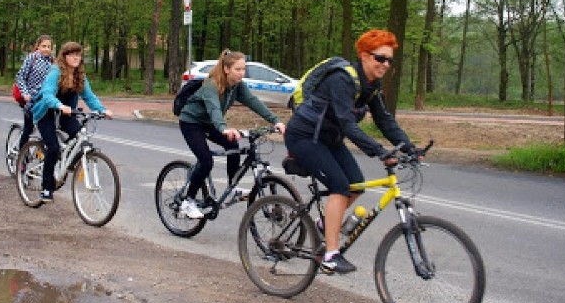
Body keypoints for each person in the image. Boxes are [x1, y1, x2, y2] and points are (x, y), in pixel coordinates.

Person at [284, 29, 416, 274]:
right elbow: (347, 122)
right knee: (340, 187)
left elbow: (384, 120)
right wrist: (379, 151)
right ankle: (330, 255)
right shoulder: (343, 79)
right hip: (304, 136)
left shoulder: (372, 86)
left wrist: (408, 147)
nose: (385, 64)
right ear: (364, 56)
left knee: (356, 184)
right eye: (380, 58)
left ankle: (324, 224)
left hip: (329, 138)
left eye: (389, 60)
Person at [177, 49, 286, 220]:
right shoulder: (211, 84)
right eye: (238, 69)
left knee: (233, 145)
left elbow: (253, 102)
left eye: (244, 69)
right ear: (227, 69)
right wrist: (223, 128)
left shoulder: (237, 86)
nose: (242, 73)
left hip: (210, 123)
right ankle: (187, 201)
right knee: (206, 160)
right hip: (191, 122)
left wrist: (276, 121)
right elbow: (213, 108)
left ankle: (232, 187)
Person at [30, 42, 112, 202]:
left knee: (80, 134)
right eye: (72, 54)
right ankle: (46, 188)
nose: (76, 57)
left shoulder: (79, 75)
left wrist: (102, 110)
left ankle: (65, 162)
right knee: (52, 148)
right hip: (46, 112)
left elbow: (89, 96)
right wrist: (59, 105)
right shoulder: (55, 72)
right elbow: (47, 94)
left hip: (67, 112)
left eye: (78, 55)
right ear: (65, 56)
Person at [15, 34, 54, 150]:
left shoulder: (52, 61)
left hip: (46, 100)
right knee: (28, 128)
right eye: (44, 46)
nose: (46, 49)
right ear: (38, 46)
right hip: (31, 100)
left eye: (49, 46)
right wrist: (25, 93)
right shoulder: (32, 58)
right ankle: (21, 157)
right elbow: (20, 77)